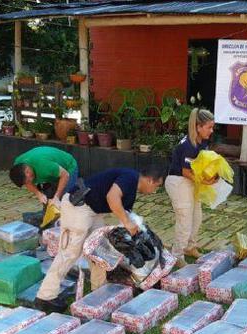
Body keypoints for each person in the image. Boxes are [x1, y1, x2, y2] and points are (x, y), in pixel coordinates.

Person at [35, 166, 165, 313]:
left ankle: (99, 290)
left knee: (99, 250)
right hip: (77, 207)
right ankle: (45, 297)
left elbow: (125, 212)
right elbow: (112, 197)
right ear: (149, 180)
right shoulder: (130, 178)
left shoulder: (131, 186)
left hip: (92, 210)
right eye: (156, 186)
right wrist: (127, 223)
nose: (154, 190)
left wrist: (136, 226)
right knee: (70, 253)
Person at [165, 108, 216, 267]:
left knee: (197, 217)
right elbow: (185, 171)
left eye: (212, 127)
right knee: (185, 220)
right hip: (179, 181)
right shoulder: (188, 145)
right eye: (209, 127)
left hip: (191, 181)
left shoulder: (203, 142)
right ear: (198, 127)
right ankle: (177, 255)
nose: (211, 130)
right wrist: (204, 182)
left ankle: (189, 247)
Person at [9, 146, 79, 206]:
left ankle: (79, 188)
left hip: (68, 167)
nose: (30, 182)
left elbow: (65, 175)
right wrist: (38, 194)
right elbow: (27, 183)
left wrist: (57, 197)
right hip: (52, 171)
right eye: (26, 182)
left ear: (27, 171)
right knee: (49, 201)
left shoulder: (44, 166)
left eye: (28, 180)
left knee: (65, 200)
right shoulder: (18, 165)